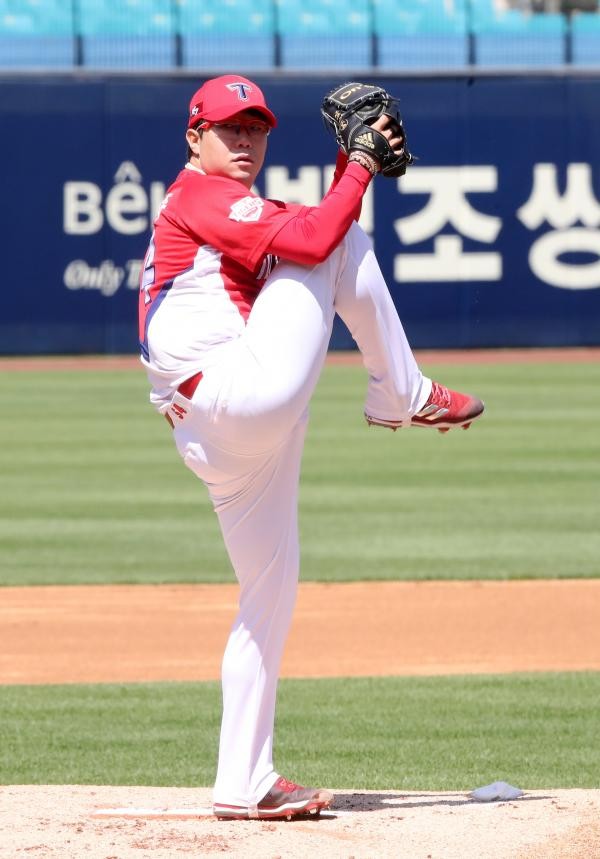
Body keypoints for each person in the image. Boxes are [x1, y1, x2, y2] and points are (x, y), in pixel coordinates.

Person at [138, 74, 483, 821]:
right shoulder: (200, 195)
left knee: (268, 595)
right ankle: (400, 393)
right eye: (229, 128)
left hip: (217, 428)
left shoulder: (239, 208)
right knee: (342, 238)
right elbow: (322, 240)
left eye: (257, 128)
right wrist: (357, 164)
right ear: (194, 137)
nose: (246, 139)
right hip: (234, 391)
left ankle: (245, 780)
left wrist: (348, 169)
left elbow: (314, 231)